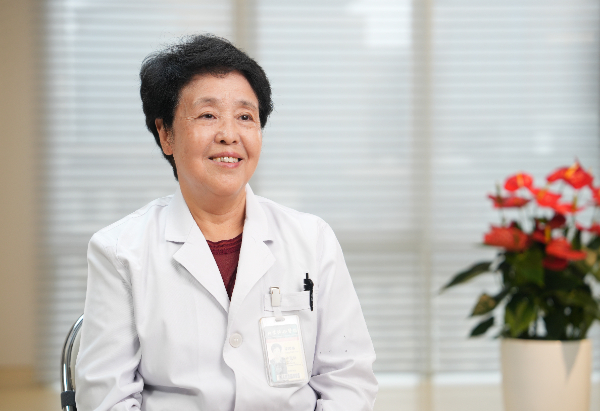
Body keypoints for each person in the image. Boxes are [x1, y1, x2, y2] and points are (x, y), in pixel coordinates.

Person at [75, 34, 377, 411]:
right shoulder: (120, 250)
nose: (229, 135)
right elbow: (106, 400)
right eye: (208, 115)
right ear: (166, 134)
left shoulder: (312, 239)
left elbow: (349, 380)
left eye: (245, 117)